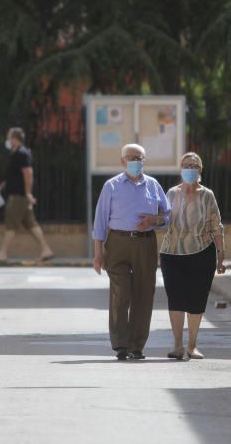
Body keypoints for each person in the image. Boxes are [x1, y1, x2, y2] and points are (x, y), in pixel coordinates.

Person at [93, 143, 169, 361]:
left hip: (145, 243)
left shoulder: (153, 186)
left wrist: (154, 220)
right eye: (131, 157)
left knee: (144, 294)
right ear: (123, 161)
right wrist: (98, 253)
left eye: (139, 158)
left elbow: (168, 216)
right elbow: (100, 221)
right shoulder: (111, 186)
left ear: (144, 161)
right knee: (121, 292)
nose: (136, 161)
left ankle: (137, 345)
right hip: (117, 242)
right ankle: (120, 344)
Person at [159, 152, 225, 360]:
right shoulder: (171, 193)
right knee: (176, 299)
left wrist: (221, 254)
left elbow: (217, 226)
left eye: (194, 165)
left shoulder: (208, 195)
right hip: (172, 253)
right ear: (181, 169)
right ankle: (178, 345)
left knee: (197, 299)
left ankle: (192, 345)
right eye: (186, 165)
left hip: (202, 252)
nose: (190, 168)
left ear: (200, 170)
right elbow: (162, 220)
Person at [0, 127, 54, 263]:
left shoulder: (22, 154)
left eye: (9, 137)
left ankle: (3, 253)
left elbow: (28, 174)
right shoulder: (16, 154)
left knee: (11, 224)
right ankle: (46, 250)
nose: (8, 140)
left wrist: (28, 193)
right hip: (19, 196)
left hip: (18, 196)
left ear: (14, 139)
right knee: (31, 224)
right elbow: (11, 177)